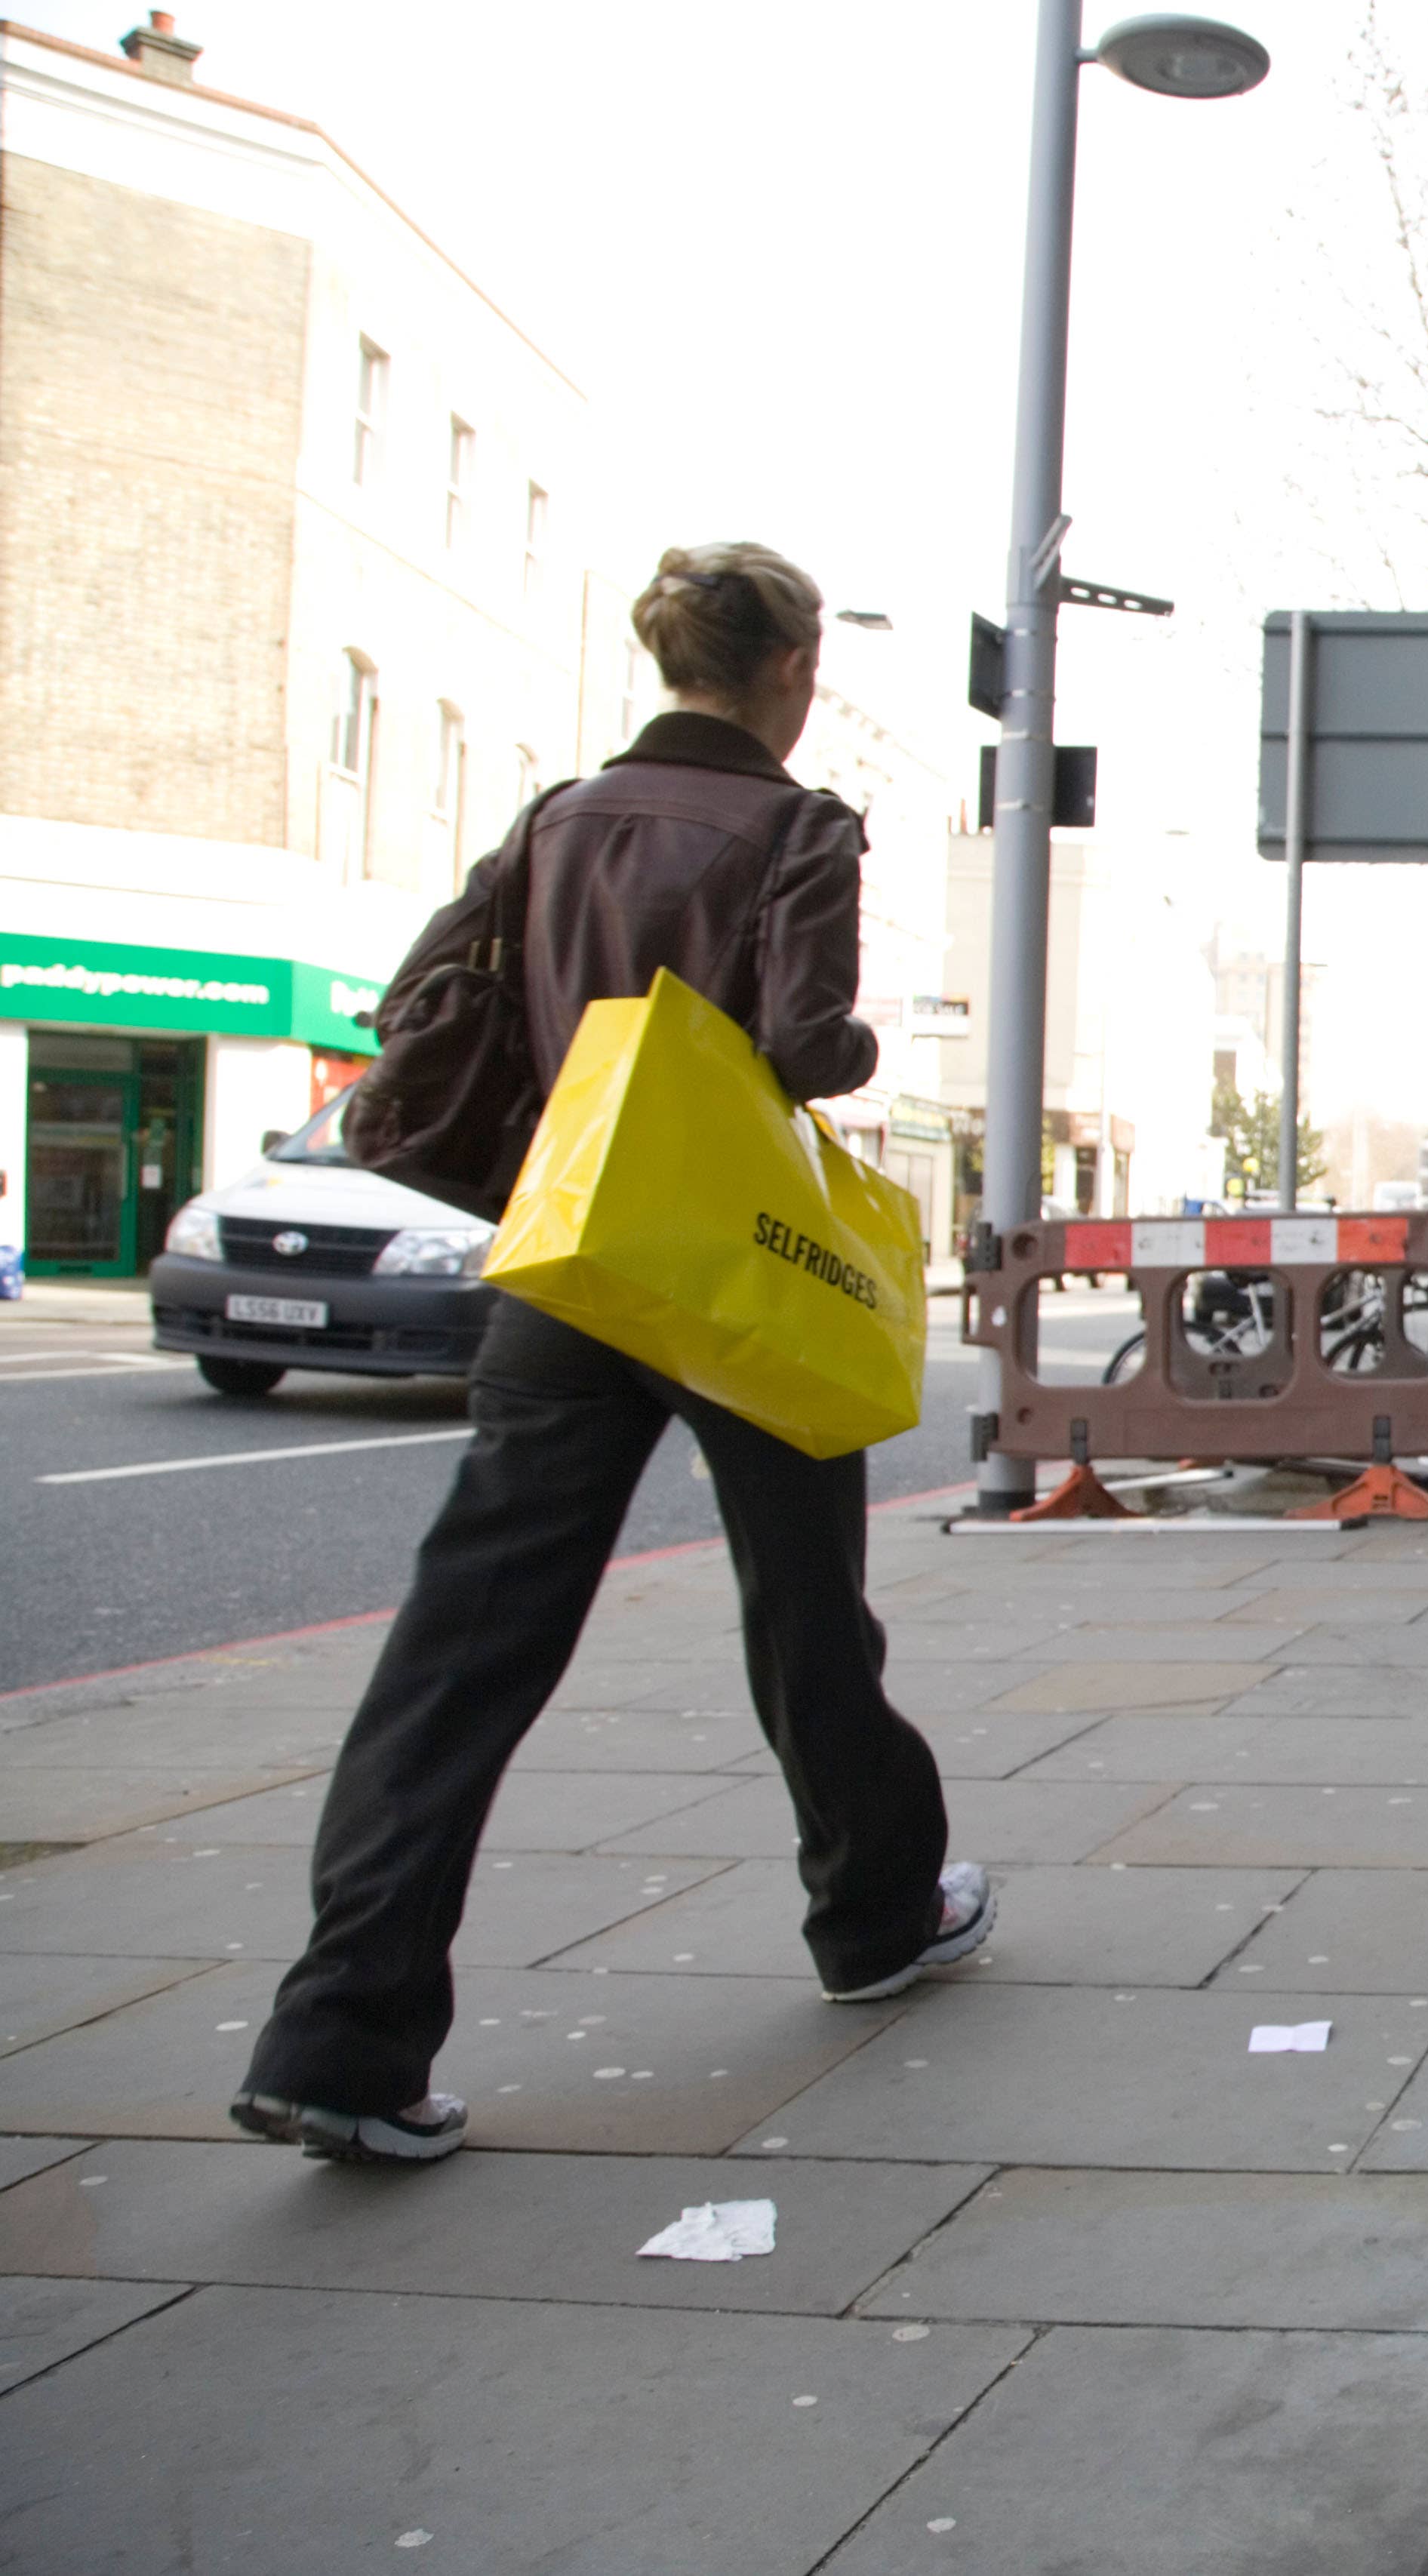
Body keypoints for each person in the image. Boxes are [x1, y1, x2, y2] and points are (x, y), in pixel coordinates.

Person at [232, 543, 993, 2165]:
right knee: (803, 1618)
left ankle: (342, 2036)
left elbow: (420, 993)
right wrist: (848, 1039)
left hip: (570, 1266)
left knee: (462, 1651)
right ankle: (872, 1914)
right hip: (736, 1274)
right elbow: (805, 1045)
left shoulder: (556, 818)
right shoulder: (796, 825)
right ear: (790, 672)